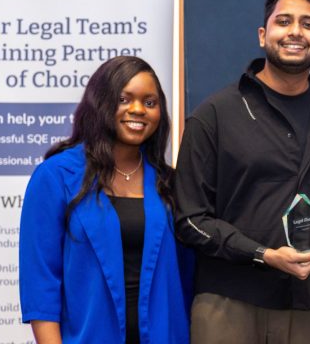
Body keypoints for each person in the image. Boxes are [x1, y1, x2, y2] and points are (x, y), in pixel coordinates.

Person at [173, 0, 310, 344]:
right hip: (229, 304)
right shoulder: (215, 115)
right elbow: (190, 220)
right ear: (262, 35)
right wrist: (263, 254)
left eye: (308, 24)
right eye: (283, 21)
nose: (295, 32)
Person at [19, 56, 191, 343]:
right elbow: (41, 283)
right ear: (100, 102)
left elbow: (188, 276)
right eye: (124, 99)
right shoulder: (56, 176)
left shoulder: (170, 183)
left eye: (150, 102)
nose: (138, 110)